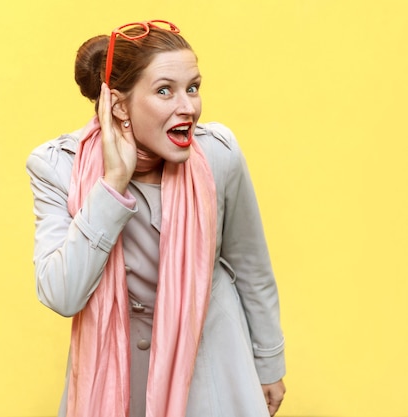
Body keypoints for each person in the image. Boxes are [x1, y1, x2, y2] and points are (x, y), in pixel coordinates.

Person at [26, 20, 286, 417]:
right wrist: (112, 185)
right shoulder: (57, 167)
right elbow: (61, 294)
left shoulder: (219, 155)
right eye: (165, 91)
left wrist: (269, 365)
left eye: (193, 87)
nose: (188, 107)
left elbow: (251, 267)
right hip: (115, 371)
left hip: (213, 356)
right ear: (118, 105)